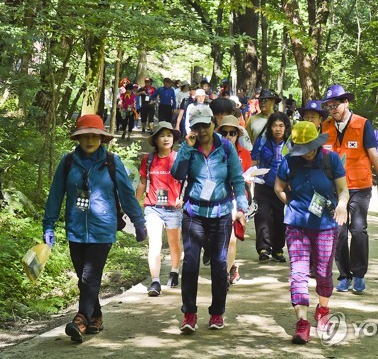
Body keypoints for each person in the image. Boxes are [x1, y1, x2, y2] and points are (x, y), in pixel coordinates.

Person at [42, 114, 146, 343]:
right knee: (83, 278)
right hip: (76, 228)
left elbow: (127, 195)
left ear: (101, 137)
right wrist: (48, 224)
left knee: (90, 277)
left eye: (94, 135)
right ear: (78, 138)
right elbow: (56, 194)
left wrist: (139, 221)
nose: (90, 139)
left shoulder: (111, 161)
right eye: (85, 135)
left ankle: (80, 319)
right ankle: (96, 317)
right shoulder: (68, 161)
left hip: (102, 229)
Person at [171, 105, 248, 333]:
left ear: (213, 123)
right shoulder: (189, 148)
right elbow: (177, 174)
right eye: (197, 126)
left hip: (221, 214)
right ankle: (189, 313)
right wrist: (186, 147)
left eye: (205, 124)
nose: (202, 130)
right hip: (194, 214)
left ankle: (217, 313)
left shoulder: (225, 147)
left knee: (219, 264)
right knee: (191, 263)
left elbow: (237, 179)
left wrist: (241, 208)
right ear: (191, 128)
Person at [275, 121, 349, 345]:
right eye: (301, 149)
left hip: (325, 224)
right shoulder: (289, 161)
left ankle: (323, 310)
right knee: (298, 272)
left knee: (324, 271)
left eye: (309, 148)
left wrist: (342, 205)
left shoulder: (330, 159)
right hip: (296, 225)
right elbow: (278, 187)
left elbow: (343, 189)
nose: (305, 153)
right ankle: (302, 323)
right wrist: (292, 204)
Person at [320, 84, 378, 294]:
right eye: (329, 105)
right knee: (339, 232)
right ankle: (344, 275)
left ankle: (359, 274)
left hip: (360, 186)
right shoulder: (325, 126)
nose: (332, 108)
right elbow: (318, 156)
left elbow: (373, 155)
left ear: (346, 103)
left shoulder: (363, 124)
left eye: (336, 104)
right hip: (334, 189)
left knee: (359, 230)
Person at [136, 122, 183, 296]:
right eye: (162, 135)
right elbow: (142, 183)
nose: (166, 138)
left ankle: (175, 270)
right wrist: (134, 205)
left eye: (169, 135)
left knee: (174, 243)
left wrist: (182, 198)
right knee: (154, 244)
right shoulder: (148, 160)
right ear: (155, 139)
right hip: (153, 207)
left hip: (173, 208)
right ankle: (155, 281)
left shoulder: (179, 158)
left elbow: (187, 181)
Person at [216, 115, 252, 285]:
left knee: (231, 238)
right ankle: (231, 266)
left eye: (232, 133)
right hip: (215, 199)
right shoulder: (212, 151)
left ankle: (223, 276)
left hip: (236, 199)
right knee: (215, 239)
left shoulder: (244, 154)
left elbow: (248, 178)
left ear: (238, 134)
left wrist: (245, 206)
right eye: (224, 133)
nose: (228, 136)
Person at [251, 111, 291, 261]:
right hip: (263, 185)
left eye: (281, 125)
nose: (278, 129)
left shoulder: (290, 143)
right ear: (270, 127)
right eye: (274, 125)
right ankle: (263, 249)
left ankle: (278, 249)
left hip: (282, 187)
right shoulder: (262, 141)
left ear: (286, 127)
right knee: (262, 215)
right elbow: (254, 161)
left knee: (280, 218)